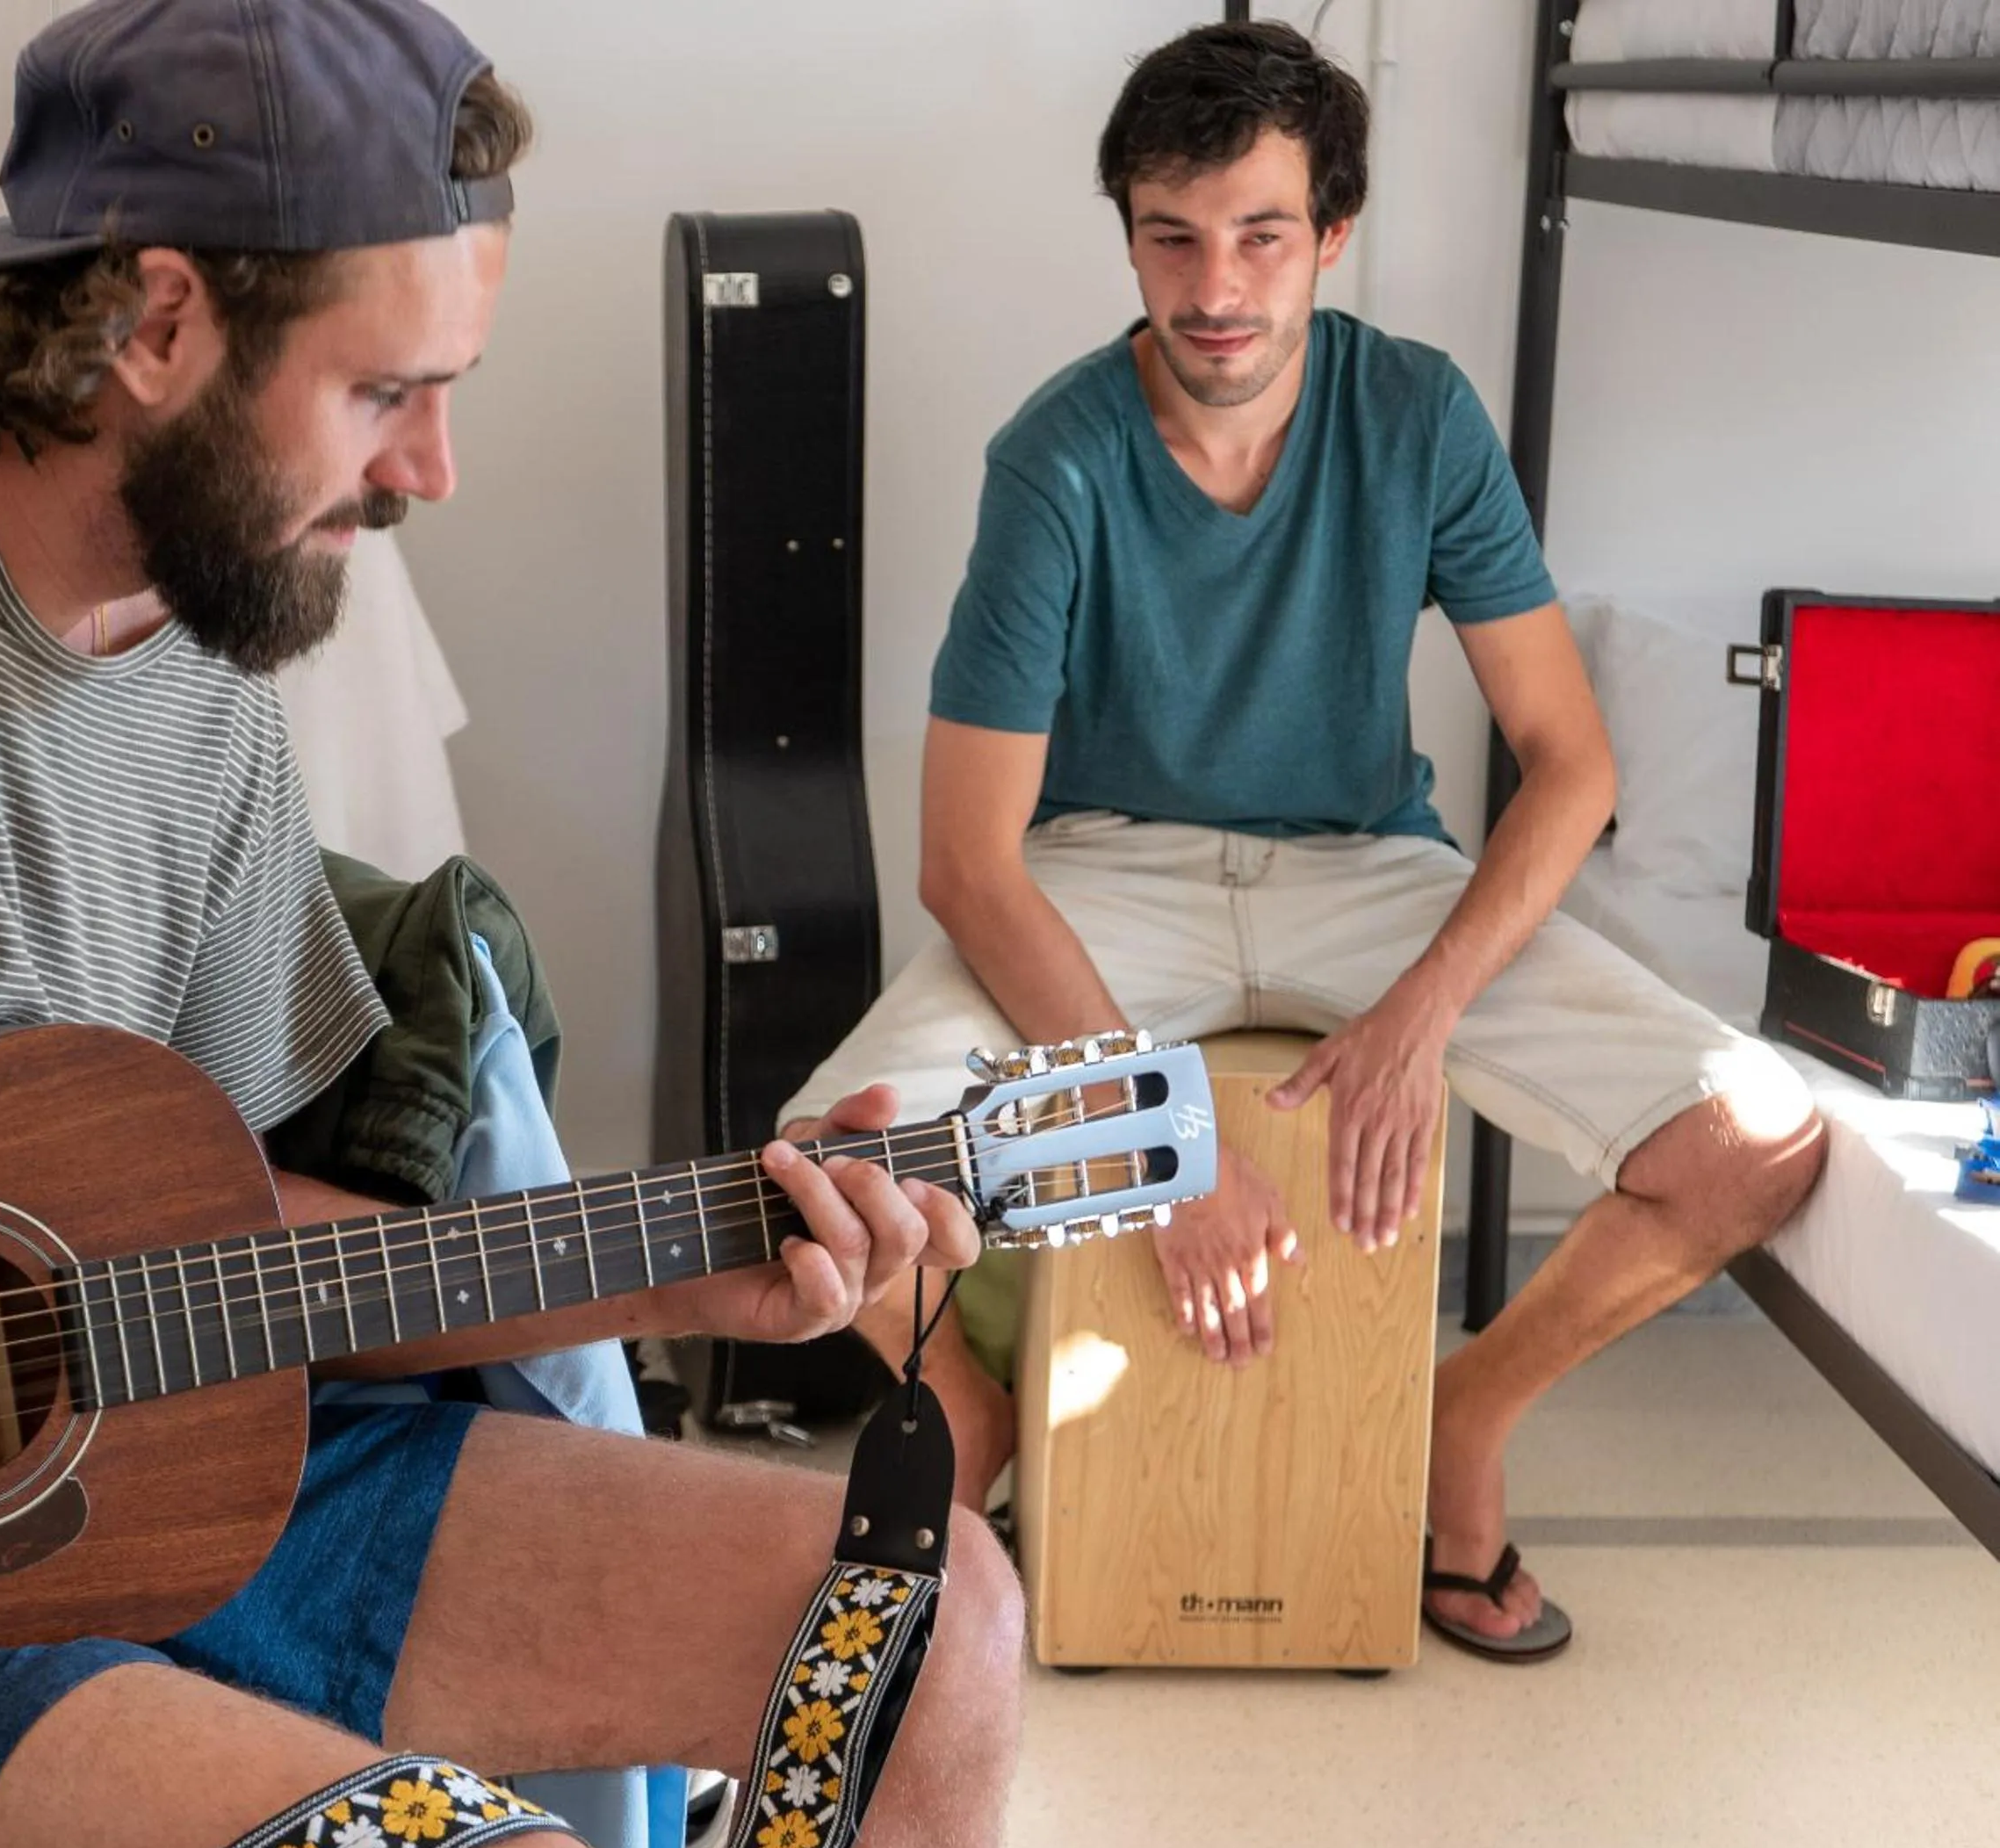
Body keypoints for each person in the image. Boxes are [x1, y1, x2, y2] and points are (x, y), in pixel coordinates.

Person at [0, 2, 1022, 1848]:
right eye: (390, 394)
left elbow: (205, 1253)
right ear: (162, 324)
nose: (434, 470)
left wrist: (691, 1277)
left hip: (82, 1503)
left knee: (927, 1636)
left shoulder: (201, 691)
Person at [780, 20, 1826, 1663]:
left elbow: (1568, 765)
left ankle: (1454, 1424)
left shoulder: (1415, 416)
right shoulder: (1054, 458)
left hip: (1365, 869)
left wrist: (1420, 1011)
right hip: (1105, 867)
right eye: (1172, 237)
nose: (1215, 288)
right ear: (1126, 233)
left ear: (1330, 236)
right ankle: (974, 1422)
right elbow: (968, 861)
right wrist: (1151, 1134)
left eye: (1261, 236)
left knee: (1752, 1140)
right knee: (827, 1172)